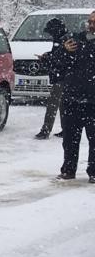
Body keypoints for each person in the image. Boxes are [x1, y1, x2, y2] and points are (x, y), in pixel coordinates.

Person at [52, 10, 95, 182]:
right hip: (72, 98)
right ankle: (68, 170)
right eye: (90, 21)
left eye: (94, 22)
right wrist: (64, 51)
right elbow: (57, 64)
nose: (91, 25)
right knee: (70, 139)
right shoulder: (74, 41)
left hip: (93, 100)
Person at [35, 18, 68, 139]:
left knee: (52, 105)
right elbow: (58, 56)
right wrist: (49, 56)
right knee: (63, 105)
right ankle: (66, 129)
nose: (49, 34)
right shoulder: (61, 39)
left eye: (50, 32)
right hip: (62, 77)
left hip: (61, 78)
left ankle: (45, 130)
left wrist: (47, 57)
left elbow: (60, 58)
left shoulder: (63, 40)